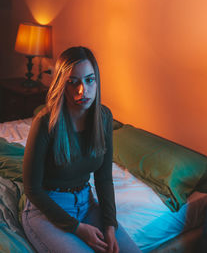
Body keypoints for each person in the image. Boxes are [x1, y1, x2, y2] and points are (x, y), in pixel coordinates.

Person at [22, 46, 141, 253]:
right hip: (46, 210)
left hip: (86, 204)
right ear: (62, 85)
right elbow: (32, 189)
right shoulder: (45, 122)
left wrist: (110, 225)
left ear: (97, 81)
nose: (82, 90)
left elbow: (103, 179)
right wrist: (77, 229)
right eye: (73, 82)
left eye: (89, 80)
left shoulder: (103, 118)